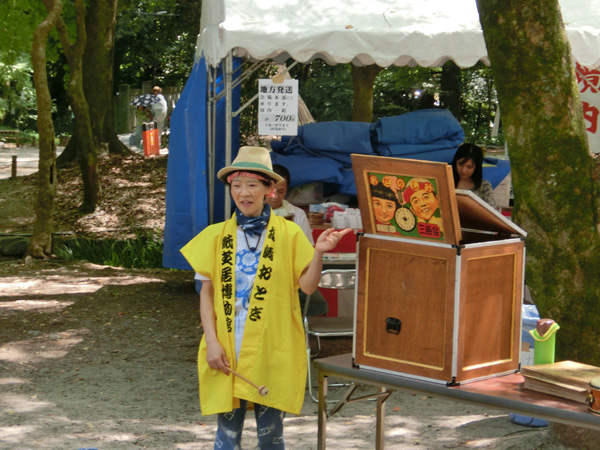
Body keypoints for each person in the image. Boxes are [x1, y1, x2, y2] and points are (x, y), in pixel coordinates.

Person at [180, 146, 350, 449]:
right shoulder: (215, 236)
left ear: (269, 190)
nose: (243, 193)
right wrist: (212, 342)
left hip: (272, 346)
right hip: (228, 347)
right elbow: (206, 294)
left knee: (271, 435)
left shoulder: (289, 233)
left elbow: (307, 287)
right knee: (226, 435)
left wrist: (319, 253)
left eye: (252, 185)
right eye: (236, 185)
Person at [268, 164, 314, 244]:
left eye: (281, 191)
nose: (275, 196)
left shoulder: (298, 214)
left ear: (287, 189)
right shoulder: (252, 212)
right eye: (271, 191)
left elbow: (306, 245)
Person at [451, 143, 497, 208]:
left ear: (477, 167)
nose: (464, 170)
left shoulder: (484, 186)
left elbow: (491, 210)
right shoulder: (445, 182)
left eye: (469, 167)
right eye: (461, 165)